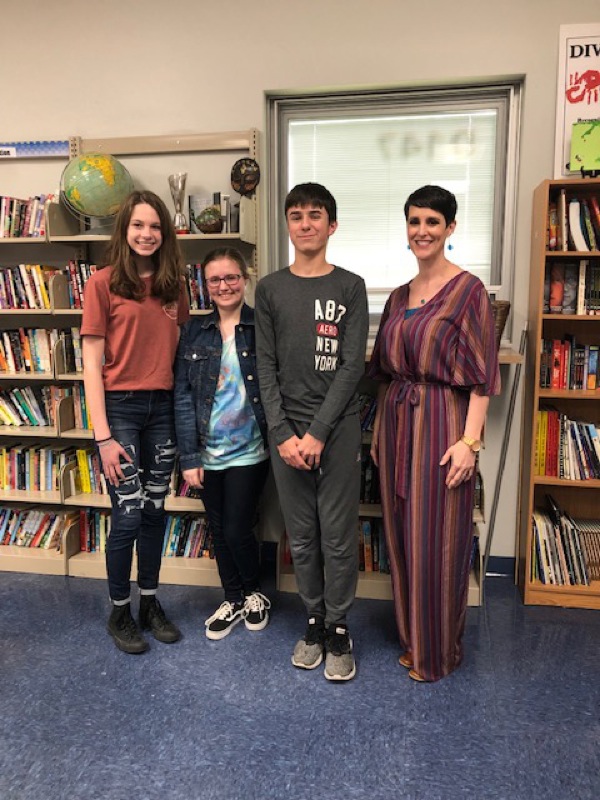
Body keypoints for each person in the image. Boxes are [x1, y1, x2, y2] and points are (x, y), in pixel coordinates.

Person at [368, 184, 500, 682]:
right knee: (403, 535)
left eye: (432, 221)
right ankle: (413, 639)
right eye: (414, 221)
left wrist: (469, 443)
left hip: (444, 421)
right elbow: (384, 373)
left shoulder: (469, 291)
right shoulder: (399, 296)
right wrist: (380, 429)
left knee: (439, 540)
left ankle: (438, 651)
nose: (422, 230)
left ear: (450, 228)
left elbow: (484, 377)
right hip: (400, 419)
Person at [255, 182, 369, 682]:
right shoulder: (270, 288)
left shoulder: (350, 286)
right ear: (287, 224)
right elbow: (265, 365)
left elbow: (351, 367)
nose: (306, 223)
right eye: (297, 215)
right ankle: (314, 619)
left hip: (337, 430)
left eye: (315, 215)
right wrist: (283, 433)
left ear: (332, 224)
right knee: (301, 537)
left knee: (338, 536)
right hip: (287, 435)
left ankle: (340, 626)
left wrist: (319, 431)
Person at [81, 189, 189, 654]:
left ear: (164, 235)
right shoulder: (102, 283)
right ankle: (120, 610)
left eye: (155, 227)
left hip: (162, 410)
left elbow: (180, 353)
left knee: (154, 513)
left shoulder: (174, 285)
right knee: (126, 516)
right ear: (124, 231)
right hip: (120, 409)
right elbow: (90, 365)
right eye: (138, 226)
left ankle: (150, 602)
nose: (147, 235)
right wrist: (102, 437)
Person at [173, 247, 270, 640]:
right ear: (205, 285)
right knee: (216, 528)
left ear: (244, 280)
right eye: (216, 279)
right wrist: (188, 456)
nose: (224, 285)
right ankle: (232, 597)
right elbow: (181, 395)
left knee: (236, 528)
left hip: (251, 450)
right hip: (206, 452)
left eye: (231, 277)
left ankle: (253, 593)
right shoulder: (193, 332)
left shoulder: (261, 325)